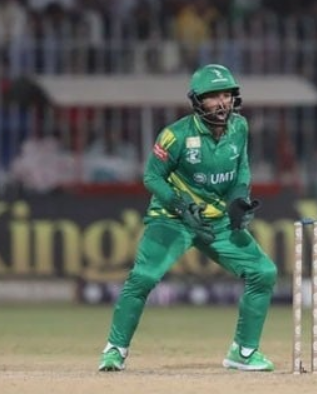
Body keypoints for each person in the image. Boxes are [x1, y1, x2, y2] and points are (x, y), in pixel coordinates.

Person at [98, 64, 278, 372]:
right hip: (172, 217)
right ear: (197, 101)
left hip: (216, 220)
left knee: (264, 272)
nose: (221, 103)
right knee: (143, 278)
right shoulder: (175, 135)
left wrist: (238, 201)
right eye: (212, 97)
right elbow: (152, 177)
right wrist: (180, 206)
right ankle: (114, 350)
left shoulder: (240, 128)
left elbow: (241, 169)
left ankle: (243, 352)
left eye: (226, 95)